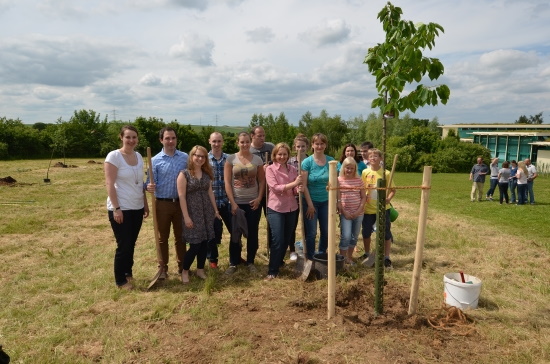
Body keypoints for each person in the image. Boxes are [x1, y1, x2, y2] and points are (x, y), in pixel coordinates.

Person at [104, 125, 149, 290]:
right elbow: (109, 183)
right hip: (121, 207)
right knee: (124, 244)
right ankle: (120, 280)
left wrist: (144, 203)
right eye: (128, 137)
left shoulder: (138, 156)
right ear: (121, 138)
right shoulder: (114, 156)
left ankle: (128, 273)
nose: (131, 140)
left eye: (134, 137)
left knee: (132, 243)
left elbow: (139, 184)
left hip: (136, 206)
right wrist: (116, 208)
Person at [146, 127, 188, 279]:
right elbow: (148, 183)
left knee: (181, 236)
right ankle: (162, 269)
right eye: (167, 138)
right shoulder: (154, 160)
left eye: (173, 138)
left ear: (176, 139)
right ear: (161, 140)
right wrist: (148, 186)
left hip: (180, 203)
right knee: (162, 237)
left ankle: (183, 267)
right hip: (162, 203)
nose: (171, 141)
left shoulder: (185, 158)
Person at [177, 146, 221, 284]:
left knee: (204, 244)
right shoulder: (184, 174)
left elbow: (210, 193)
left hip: (206, 212)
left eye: (203, 156)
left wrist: (215, 210)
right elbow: (181, 196)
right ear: (192, 156)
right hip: (192, 213)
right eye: (197, 155)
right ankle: (185, 271)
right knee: (195, 245)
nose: (200, 158)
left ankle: (200, 269)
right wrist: (186, 216)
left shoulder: (206, 173)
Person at [224, 132, 266, 274]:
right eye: (242, 142)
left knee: (253, 233)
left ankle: (250, 262)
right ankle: (233, 263)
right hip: (237, 203)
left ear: (250, 142)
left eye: (247, 142)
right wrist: (233, 203)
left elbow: (261, 181)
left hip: (253, 202)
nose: (245, 144)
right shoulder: (231, 159)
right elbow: (228, 183)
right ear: (238, 143)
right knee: (235, 233)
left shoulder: (258, 160)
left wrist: (259, 199)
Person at [265, 143, 302, 280]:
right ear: (275, 155)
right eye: (279, 154)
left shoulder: (293, 169)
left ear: (288, 155)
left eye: (284, 154)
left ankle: (279, 261)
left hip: (292, 207)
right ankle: (272, 270)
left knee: (286, 239)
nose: (282, 156)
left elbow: (293, 190)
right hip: (276, 208)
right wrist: (294, 184)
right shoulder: (270, 169)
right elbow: (275, 188)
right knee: (278, 239)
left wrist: (298, 189)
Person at [301, 133, 335, 260]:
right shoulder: (307, 162)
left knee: (326, 231)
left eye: (322, 143)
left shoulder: (331, 161)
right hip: (311, 201)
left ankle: (321, 254)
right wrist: (309, 205)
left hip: (326, 201)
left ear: (325, 145)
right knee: (312, 233)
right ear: (312, 145)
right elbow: (304, 185)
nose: (319, 146)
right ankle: (310, 257)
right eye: (317, 143)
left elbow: (336, 182)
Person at [361, 148, 396, 268]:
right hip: (368, 209)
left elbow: (392, 190)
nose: (373, 158)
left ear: (380, 159)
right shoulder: (365, 172)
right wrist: (363, 198)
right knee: (366, 232)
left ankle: (386, 257)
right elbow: (362, 189)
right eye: (371, 156)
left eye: (376, 156)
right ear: (368, 159)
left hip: (382, 209)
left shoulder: (386, 173)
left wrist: (388, 199)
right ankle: (366, 253)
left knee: (386, 232)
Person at [207, 132, 233, 269]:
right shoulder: (204, 159)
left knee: (235, 230)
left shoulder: (229, 159)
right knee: (213, 233)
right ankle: (213, 260)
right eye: (214, 141)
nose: (216, 144)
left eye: (219, 141)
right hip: (210, 203)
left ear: (223, 142)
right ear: (209, 142)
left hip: (227, 201)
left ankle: (234, 257)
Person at [337, 157, 366, 265]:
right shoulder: (339, 180)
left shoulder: (359, 180)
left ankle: (349, 257)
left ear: (355, 169)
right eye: (347, 168)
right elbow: (338, 199)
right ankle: (342, 258)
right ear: (343, 168)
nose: (349, 170)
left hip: (358, 213)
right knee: (346, 235)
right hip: (345, 213)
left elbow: (363, 197)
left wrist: (358, 211)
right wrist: (344, 212)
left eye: (352, 168)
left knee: (354, 236)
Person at [288, 133, 309, 261]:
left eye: (303, 146)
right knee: (292, 225)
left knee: (307, 225)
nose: (300, 149)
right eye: (298, 146)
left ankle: (306, 248)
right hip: (292, 198)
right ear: (294, 147)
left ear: (307, 147)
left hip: (306, 197)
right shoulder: (289, 161)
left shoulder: (310, 161)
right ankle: (292, 250)